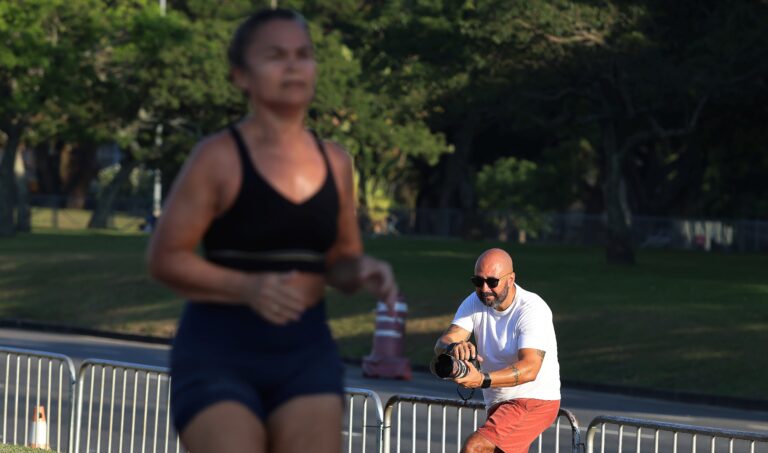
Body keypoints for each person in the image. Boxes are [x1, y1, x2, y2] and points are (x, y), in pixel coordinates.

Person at [146, 8, 398, 453]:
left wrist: (362, 272)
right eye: (276, 55)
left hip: (305, 351)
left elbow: (339, 261)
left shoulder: (336, 163)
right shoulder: (217, 157)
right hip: (218, 352)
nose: (293, 65)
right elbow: (166, 259)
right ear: (241, 75)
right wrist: (248, 288)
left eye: (303, 54)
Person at [434, 248, 560, 453]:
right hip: (499, 402)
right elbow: (442, 343)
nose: (484, 289)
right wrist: (454, 346)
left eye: (492, 282)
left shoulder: (532, 309)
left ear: (511, 279)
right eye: (478, 281)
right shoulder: (474, 302)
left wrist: (481, 379)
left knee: (475, 448)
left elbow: (530, 368)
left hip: (533, 400)